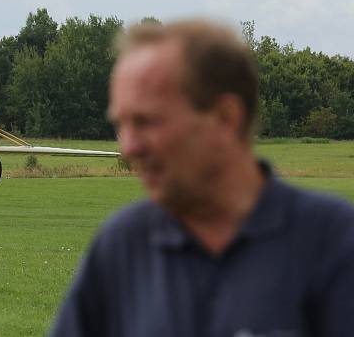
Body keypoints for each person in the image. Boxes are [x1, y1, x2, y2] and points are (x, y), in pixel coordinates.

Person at [50, 20, 354, 336]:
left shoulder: (333, 241)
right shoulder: (122, 246)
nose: (128, 148)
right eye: (121, 125)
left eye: (146, 121)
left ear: (225, 119)